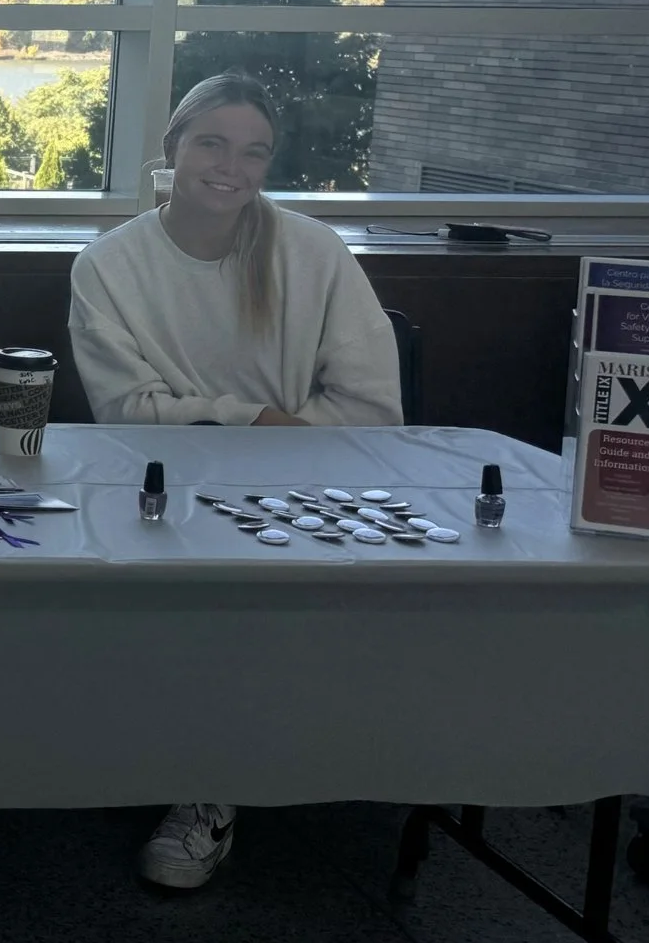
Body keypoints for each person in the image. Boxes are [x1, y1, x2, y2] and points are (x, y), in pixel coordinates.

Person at [70, 71, 402, 891]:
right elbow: (125, 410)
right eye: (212, 142)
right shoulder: (108, 265)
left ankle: (207, 791)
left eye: (253, 151)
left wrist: (255, 436)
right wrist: (256, 420)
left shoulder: (315, 254)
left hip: (299, 490)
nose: (231, 165)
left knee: (244, 608)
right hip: (153, 487)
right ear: (174, 146)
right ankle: (151, 761)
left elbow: (372, 411)